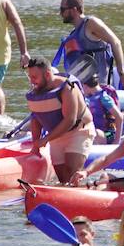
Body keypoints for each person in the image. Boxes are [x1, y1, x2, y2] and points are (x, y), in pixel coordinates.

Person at [24, 56, 95, 184]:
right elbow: (36, 119)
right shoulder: (36, 92)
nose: (32, 81)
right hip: (56, 135)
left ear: (47, 74)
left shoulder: (67, 88)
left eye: (34, 77)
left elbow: (70, 120)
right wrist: (36, 144)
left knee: (71, 174)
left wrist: (45, 139)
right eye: (30, 77)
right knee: (62, 178)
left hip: (79, 131)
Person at [56, 0, 124, 89]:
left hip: (99, 86)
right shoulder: (73, 33)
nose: (60, 13)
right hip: (82, 86)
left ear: (74, 10)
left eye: (62, 9)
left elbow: (115, 42)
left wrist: (121, 71)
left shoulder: (91, 23)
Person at [85, 78, 124, 146]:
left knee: (95, 133)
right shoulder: (89, 96)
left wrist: (116, 141)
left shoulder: (104, 98)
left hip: (108, 134)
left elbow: (120, 117)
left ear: (85, 86)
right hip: (94, 129)